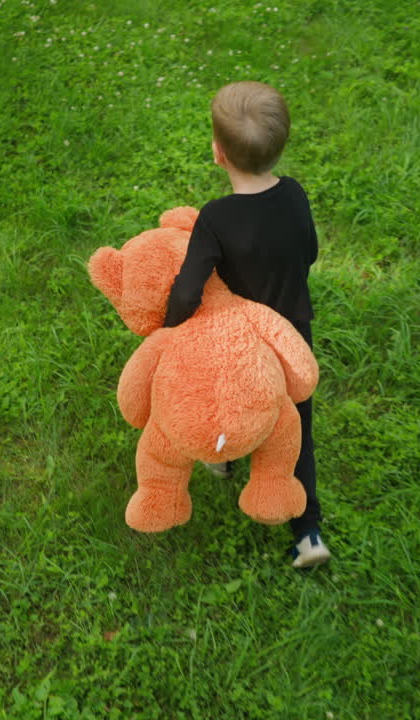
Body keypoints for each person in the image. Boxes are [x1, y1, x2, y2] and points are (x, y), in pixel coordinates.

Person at [162, 81, 329, 569]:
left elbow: (189, 289)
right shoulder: (295, 196)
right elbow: (311, 252)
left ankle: (224, 454)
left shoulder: (215, 219)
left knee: (228, 401)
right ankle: (309, 533)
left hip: (241, 343)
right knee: (296, 427)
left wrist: (170, 328)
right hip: (294, 334)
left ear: (218, 152)